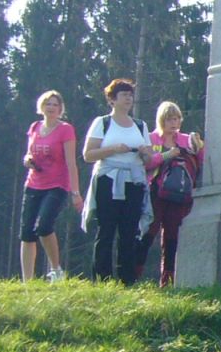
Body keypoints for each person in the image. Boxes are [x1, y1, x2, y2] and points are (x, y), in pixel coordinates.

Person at [82, 78, 153, 284]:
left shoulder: (140, 125)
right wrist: (113, 149)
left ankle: (127, 279)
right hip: (108, 180)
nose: (128, 99)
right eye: (123, 95)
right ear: (112, 100)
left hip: (134, 182)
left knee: (129, 231)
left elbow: (149, 159)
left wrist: (144, 153)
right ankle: (102, 278)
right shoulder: (102, 123)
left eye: (130, 95)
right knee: (106, 229)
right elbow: (88, 154)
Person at [137, 100, 203, 287]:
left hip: (179, 196)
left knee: (172, 238)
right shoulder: (151, 138)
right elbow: (146, 163)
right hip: (155, 193)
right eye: (169, 119)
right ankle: (134, 274)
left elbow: (201, 161)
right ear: (161, 120)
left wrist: (198, 147)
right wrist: (166, 155)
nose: (174, 123)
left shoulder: (186, 139)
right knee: (148, 233)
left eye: (177, 119)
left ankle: (167, 282)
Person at [20, 90, 81, 282]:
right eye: (48, 104)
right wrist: (27, 160)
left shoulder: (65, 130)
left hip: (56, 185)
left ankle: (56, 269)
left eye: (55, 104)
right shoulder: (35, 127)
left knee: (44, 226)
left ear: (60, 108)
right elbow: (28, 153)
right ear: (42, 106)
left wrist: (75, 193)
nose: (52, 107)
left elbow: (71, 162)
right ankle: (27, 281)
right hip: (33, 184)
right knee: (27, 232)